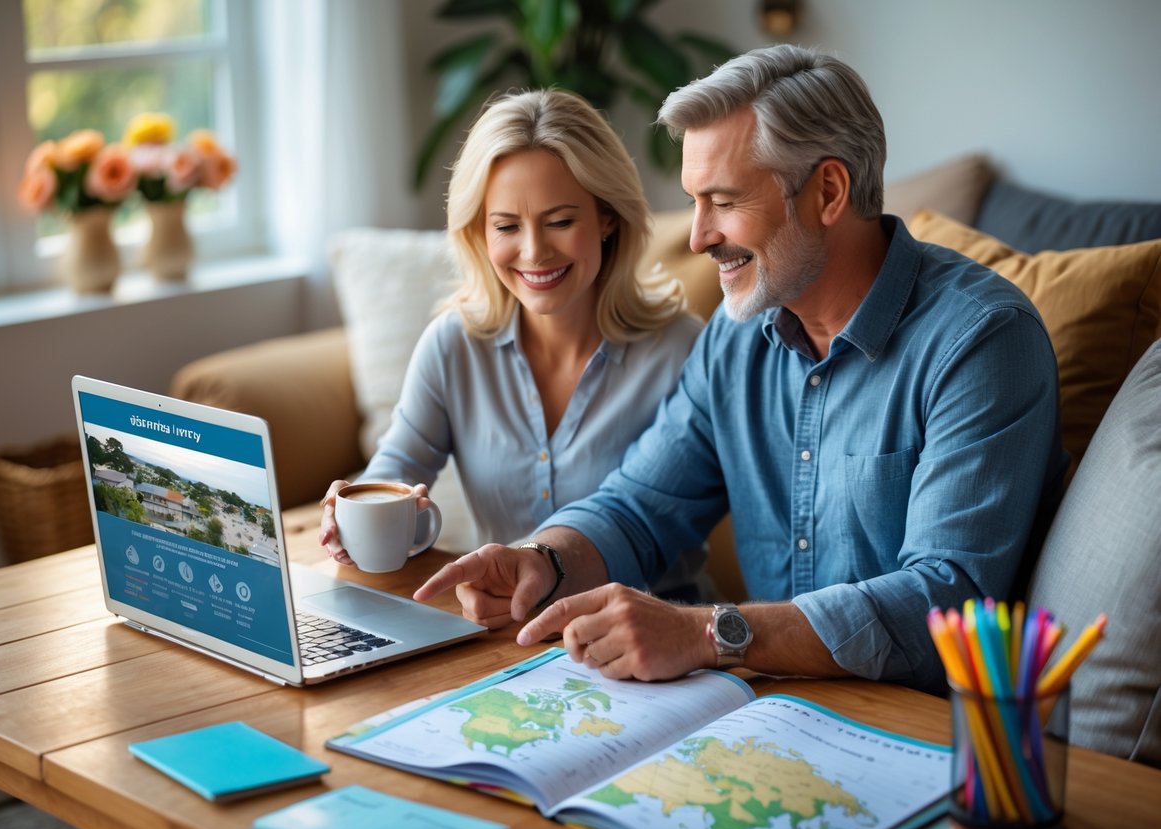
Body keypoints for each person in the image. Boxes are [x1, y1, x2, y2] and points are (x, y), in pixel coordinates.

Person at [414, 45, 1069, 694]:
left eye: (722, 202)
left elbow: (944, 604)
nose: (697, 238)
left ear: (828, 192)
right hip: (771, 707)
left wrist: (708, 635)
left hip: (931, 728)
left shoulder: (979, 339)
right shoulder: (736, 339)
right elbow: (641, 505)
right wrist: (542, 558)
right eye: (694, 202)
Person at [319, 89, 707, 600]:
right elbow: (396, 470)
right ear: (480, 232)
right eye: (506, 226)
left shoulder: (683, 349)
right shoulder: (453, 345)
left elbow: (673, 513)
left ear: (607, 217)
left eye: (561, 221)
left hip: (653, 642)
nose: (534, 252)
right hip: (507, 636)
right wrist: (351, 513)